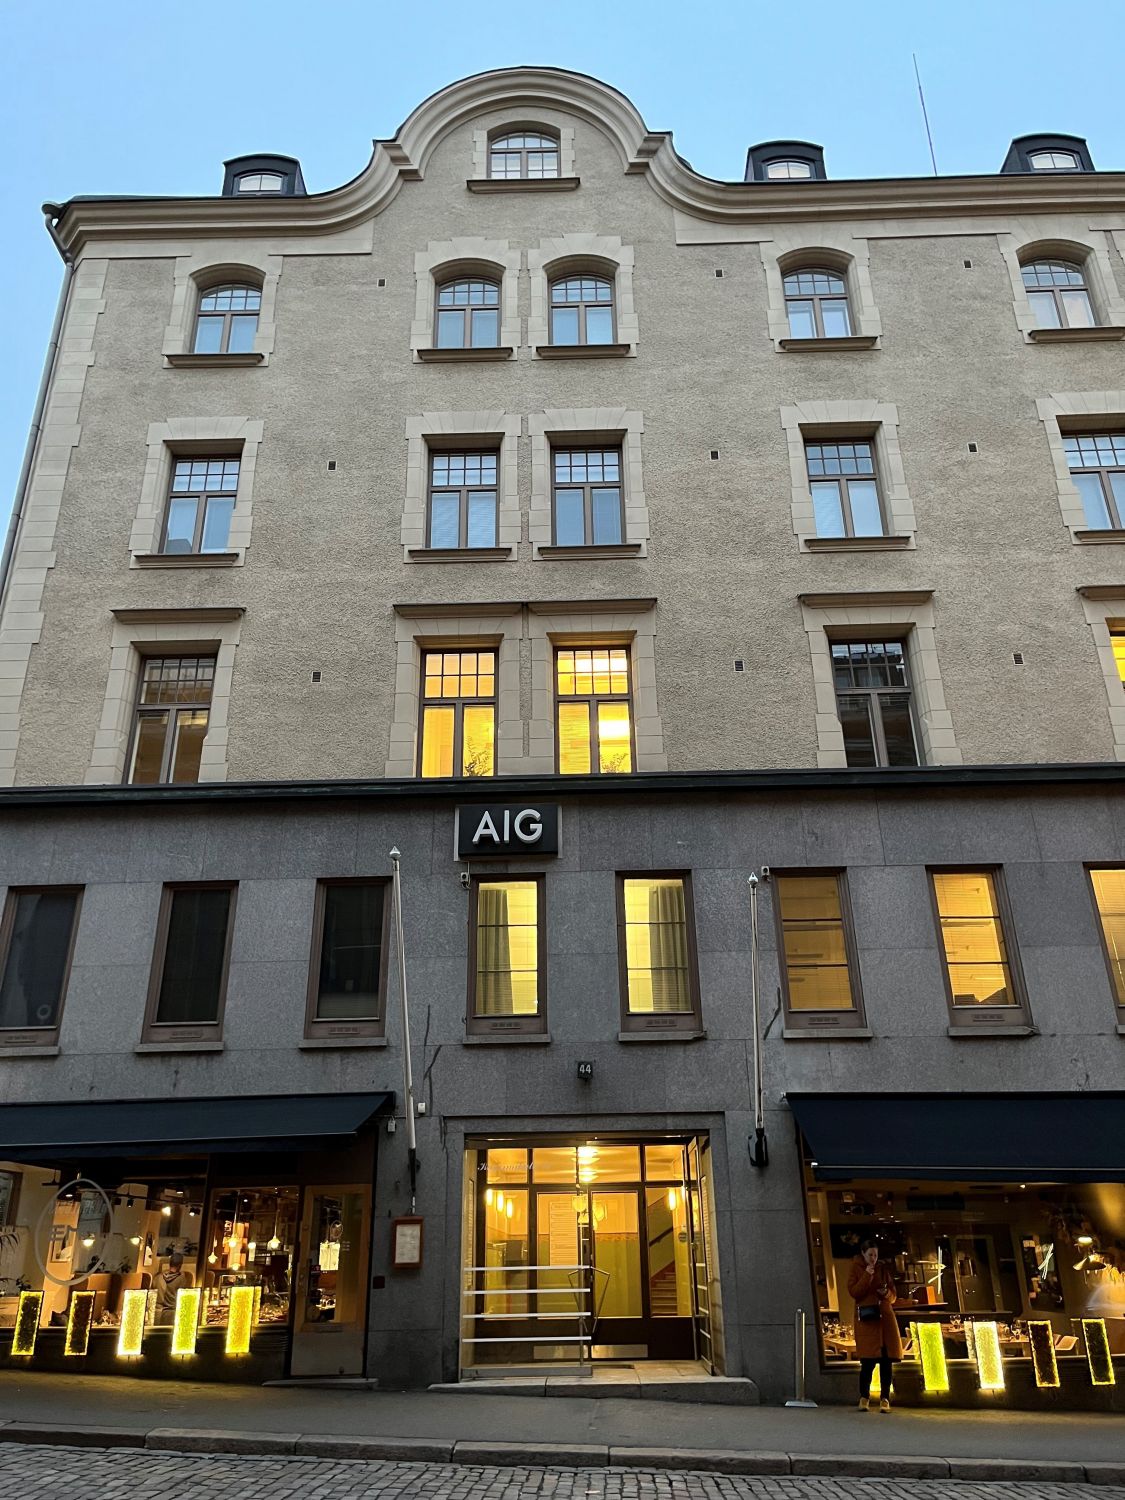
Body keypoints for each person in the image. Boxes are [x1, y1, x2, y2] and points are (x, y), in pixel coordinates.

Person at [847, 1238, 901, 1411]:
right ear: (863, 1254)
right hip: (868, 1320)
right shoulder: (856, 1268)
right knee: (868, 1363)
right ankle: (864, 1397)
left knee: (886, 1363)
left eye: (875, 1255)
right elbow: (855, 1292)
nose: (873, 1258)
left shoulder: (883, 1269)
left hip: (885, 1321)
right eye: (870, 1255)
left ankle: (885, 1398)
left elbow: (893, 1296)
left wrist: (886, 1293)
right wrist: (867, 1275)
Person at [153, 1250, 193, 1324]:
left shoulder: (158, 1277)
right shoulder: (181, 1279)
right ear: (180, 1265)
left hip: (157, 1313)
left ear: (170, 1263)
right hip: (172, 1314)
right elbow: (183, 1298)